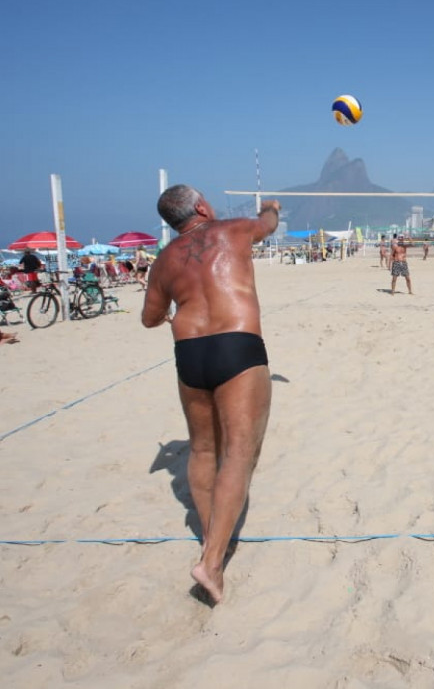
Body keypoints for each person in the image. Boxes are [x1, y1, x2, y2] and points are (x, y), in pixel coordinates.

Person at [142, 184, 279, 605]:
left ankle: (210, 538)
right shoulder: (233, 229)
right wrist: (271, 207)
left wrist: (174, 308)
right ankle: (213, 561)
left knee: (203, 451)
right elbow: (268, 226)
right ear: (201, 207)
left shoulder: (163, 260)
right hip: (236, 343)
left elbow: (149, 318)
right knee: (239, 453)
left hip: (190, 352)